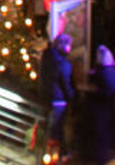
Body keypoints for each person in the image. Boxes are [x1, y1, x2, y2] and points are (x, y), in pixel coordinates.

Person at [78, 45, 115, 164]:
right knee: (107, 138)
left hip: (98, 110)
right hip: (111, 110)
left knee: (98, 139)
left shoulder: (95, 73)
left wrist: (90, 90)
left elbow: (98, 91)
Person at [36, 32, 75, 164]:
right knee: (56, 129)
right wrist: (72, 97)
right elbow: (65, 84)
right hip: (58, 100)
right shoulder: (63, 63)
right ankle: (55, 157)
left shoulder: (45, 58)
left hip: (44, 97)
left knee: (48, 127)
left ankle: (54, 154)